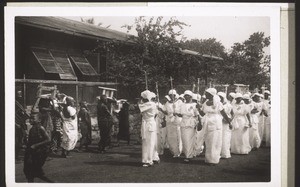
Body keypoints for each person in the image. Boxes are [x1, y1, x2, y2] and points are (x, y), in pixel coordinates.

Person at [200, 88, 232, 165]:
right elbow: (202, 114)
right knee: (208, 141)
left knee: (214, 140)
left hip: (216, 122)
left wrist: (229, 122)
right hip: (207, 122)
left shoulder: (218, 103)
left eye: (207, 93)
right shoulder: (205, 103)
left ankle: (213, 160)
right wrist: (198, 108)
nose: (205, 95)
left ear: (211, 94)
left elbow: (223, 113)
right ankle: (208, 158)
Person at [23, 112, 53, 183]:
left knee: (32, 169)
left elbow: (48, 139)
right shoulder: (32, 129)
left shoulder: (41, 128)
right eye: (30, 118)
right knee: (29, 169)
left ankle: (50, 182)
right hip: (31, 151)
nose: (30, 120)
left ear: (39, 120)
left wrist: (36, 145)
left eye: (33, 118)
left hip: (38, 152)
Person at [175, 90, 200, 163]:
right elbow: (180, 114)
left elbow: (197, 114)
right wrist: (176, 113)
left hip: (191, 122)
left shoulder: (195, 104)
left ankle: (188, 156)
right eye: (185, 95)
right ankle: (188, 153)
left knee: (190, 139)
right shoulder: (182, 104)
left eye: (187, 95)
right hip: (183, 122)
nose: (186, 97)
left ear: (191, 96)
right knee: (184, 139)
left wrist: (199, 123)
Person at [160, 89, 183, 158]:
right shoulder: (167, 103)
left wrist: (176, 112)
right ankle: (173, 151)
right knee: (170, 137)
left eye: (173, 95)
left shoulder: (179, 102)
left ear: (175, 95)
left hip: (177, 121)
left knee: (178, 136)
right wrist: (161, 110)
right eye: (170, 95)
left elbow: (182, 112)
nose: (171, 96)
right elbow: (166, 112)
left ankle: (179, 151)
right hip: (169, 122)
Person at [138, 90, 159, 167]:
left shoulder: (150, 104)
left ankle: (148, 161)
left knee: (148, 143)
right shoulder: (151, 104)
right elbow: (156, 113)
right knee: (150, 142)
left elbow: (139, 106)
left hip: (149, 123)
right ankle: (154, 157)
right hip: (149, 123)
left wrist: (141, 100)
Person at [218, 92, 233, 159]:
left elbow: (233, 113)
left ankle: (225, 153)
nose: (220, 98)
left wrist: (230, 120)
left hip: (225, 123)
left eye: (221, 97)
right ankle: (218, 153)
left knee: (225, 137)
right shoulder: (217, 104)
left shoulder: (229, 105)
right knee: (219, 138)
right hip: (218, 122)